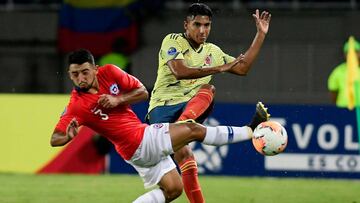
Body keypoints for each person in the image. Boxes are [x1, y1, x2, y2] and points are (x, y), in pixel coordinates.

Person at [50, 49, 270, 203]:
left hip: (136, 147)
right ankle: (251, 130)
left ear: (95, 69)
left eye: (84, 72)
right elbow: (54, 138)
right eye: (75, 74)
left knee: (173, 190)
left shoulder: (110, 72)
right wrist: (67, 136)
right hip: (139, 141)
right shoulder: (76, 105)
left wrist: (118, 100)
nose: (80, 78)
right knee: (192, 129)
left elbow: (142, 93)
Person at [147, 3, 271, 202]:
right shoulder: (172, 41)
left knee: (187, 157)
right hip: (162, 108)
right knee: (172, 185)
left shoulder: (212, 51)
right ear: (186, 25)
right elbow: (180, 71)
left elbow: (242, 68)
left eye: (207, 25)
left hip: (187, 109)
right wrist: (220, 68)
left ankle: (186, 122)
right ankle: (186, 123)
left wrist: (260, 35)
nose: (203, 30)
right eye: (197, 25)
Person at [328, 38, 360, 108]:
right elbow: (333, 92)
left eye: (356, 52)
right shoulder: (338, 71)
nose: (352, 55)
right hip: (343, 108)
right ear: (345, 55)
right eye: (348, 52)